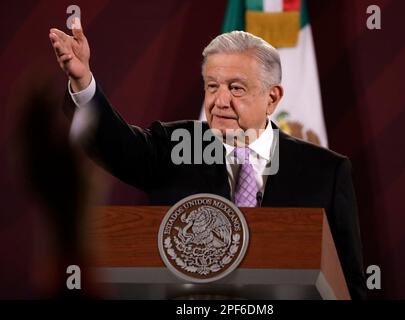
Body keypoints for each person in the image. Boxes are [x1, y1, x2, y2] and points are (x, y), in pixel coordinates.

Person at [49, 19, 366, 299]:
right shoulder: (173, 147)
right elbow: (115, 148)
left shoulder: (326, 172)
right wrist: (83, 81)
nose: (220, 101)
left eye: (236, 88)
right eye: (212, 86)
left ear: (272, 98)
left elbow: (349, 284)